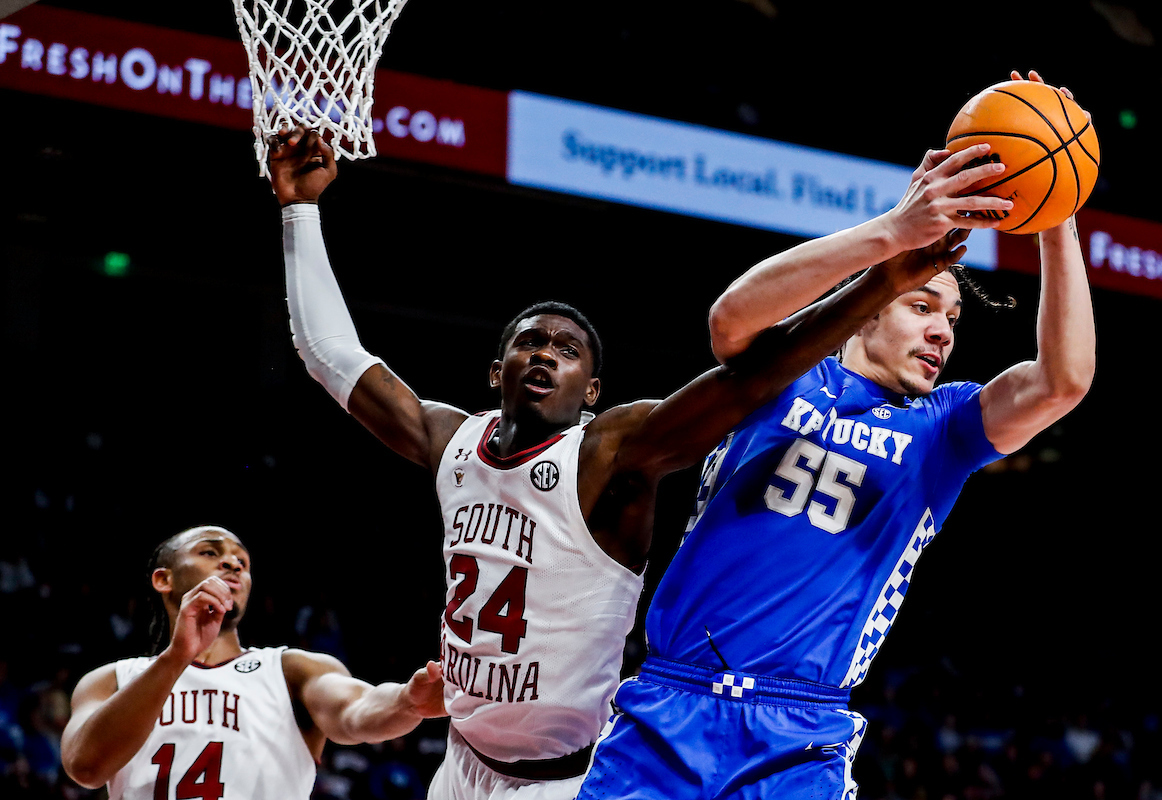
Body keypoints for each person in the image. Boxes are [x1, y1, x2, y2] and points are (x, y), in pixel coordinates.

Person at [266, 118, 1012, 799]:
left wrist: (882, 275)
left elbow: (750, 376)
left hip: (571, 778)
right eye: (529, 341)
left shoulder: (612, 454)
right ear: (495, 372)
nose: (544, 354)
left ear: (591, 390)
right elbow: (332, 356)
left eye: (567, 349)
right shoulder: (450, 442)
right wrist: (299, 212)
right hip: (460, 765)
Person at [575, 72, 1096, 800]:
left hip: (801, 734)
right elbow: (731, 319)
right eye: (922, 305)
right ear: (872, 309)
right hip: (669, 707)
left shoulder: (943, 426)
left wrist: (1058, 214)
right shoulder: (787, 375)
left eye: (954, 319)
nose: (943, 329)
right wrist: (893, 237)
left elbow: (1063, 380)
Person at [60, 525, 447, 798]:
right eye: (210, 552)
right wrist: (179, 656)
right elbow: (85, 767)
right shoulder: (111, 679)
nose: (233, 565)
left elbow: (356, 710)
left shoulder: (292, 671)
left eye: (242, 562)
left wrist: (405, 702)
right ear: (164, 579)